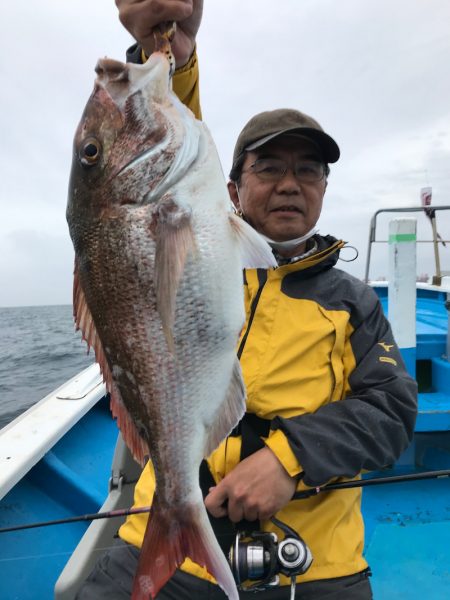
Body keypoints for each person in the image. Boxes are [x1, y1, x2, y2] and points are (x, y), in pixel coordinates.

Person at [76, 1, 417, 598]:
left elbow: (391, 410)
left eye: (308, 171)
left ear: (323, 191)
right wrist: (168, 49)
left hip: (313, 567)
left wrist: (290, 459)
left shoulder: (353, 302)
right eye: (269, 169)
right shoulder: (205, 244)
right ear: (229, 188)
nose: (290, 184)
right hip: (158, 541)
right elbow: (164, 128)